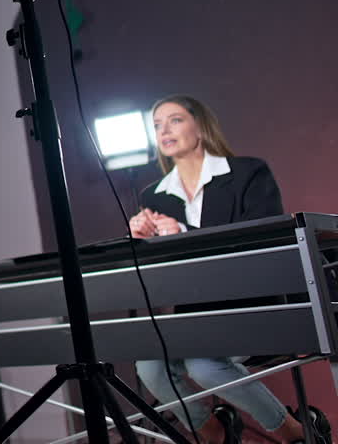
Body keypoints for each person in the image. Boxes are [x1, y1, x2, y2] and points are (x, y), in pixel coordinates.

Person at [130, 95, 329, 444]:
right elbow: (160, 276)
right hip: (196, 315)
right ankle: (214, 433)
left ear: (201, 127)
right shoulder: (154, 195)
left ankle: (293, 433)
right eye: (157, 125)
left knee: (204, 364)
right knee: (149, 366)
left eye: (174, 120)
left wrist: (184, 234)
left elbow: (264, 242)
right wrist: (143, 242)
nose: (164, 130)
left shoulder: (248, 173)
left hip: (258, 306)